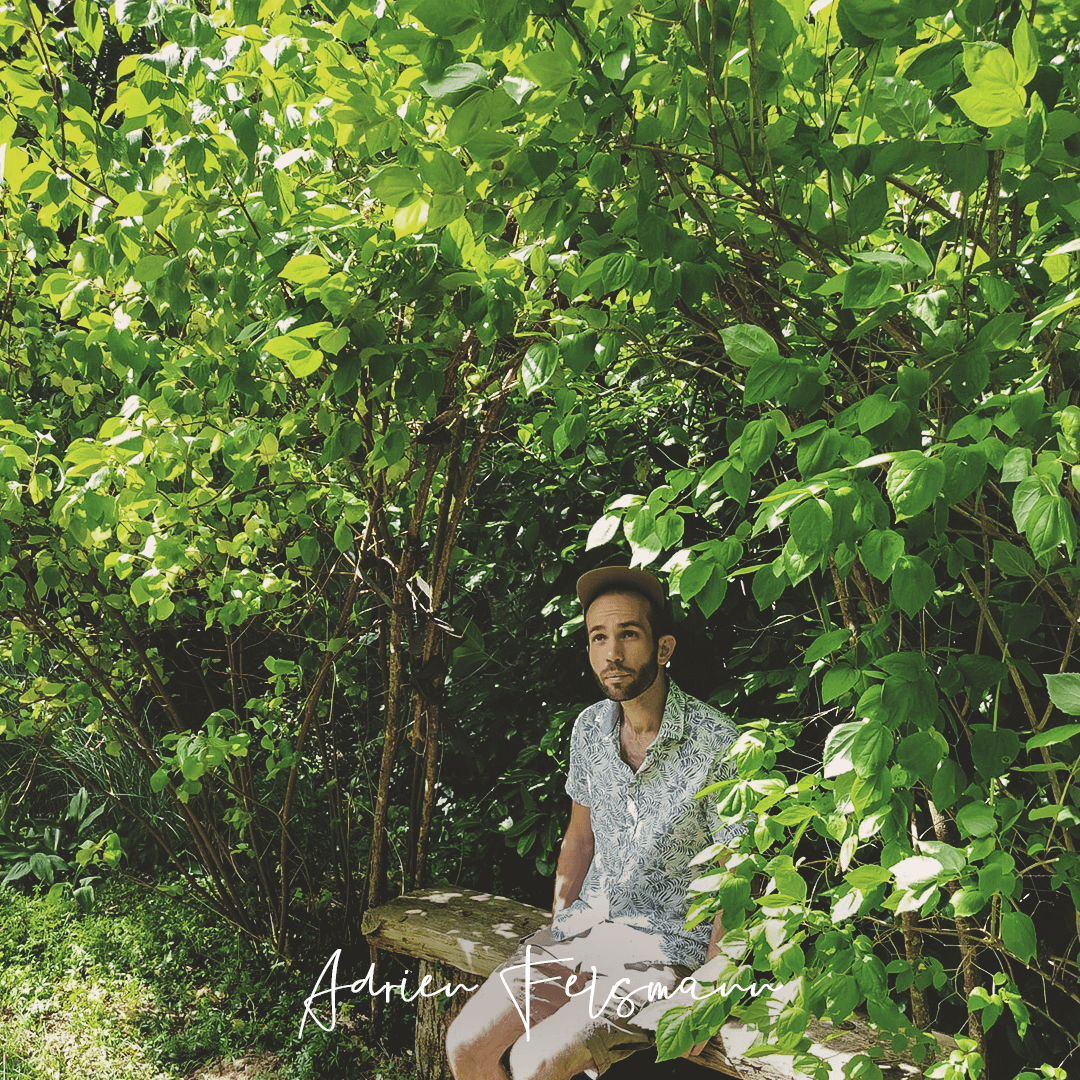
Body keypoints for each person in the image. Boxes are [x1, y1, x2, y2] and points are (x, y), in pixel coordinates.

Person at [445, 566, 745, 1080]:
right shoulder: (588, 729)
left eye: (628, 634)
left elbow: (736, 879)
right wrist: (562, 924)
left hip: (665, 950)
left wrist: (708, 991)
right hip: (585, 932)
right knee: (466, 1046)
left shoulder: (719, 744)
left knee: (536, 1059)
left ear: (664, 647)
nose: (612, 653)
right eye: (598, 637)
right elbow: (579, 839)